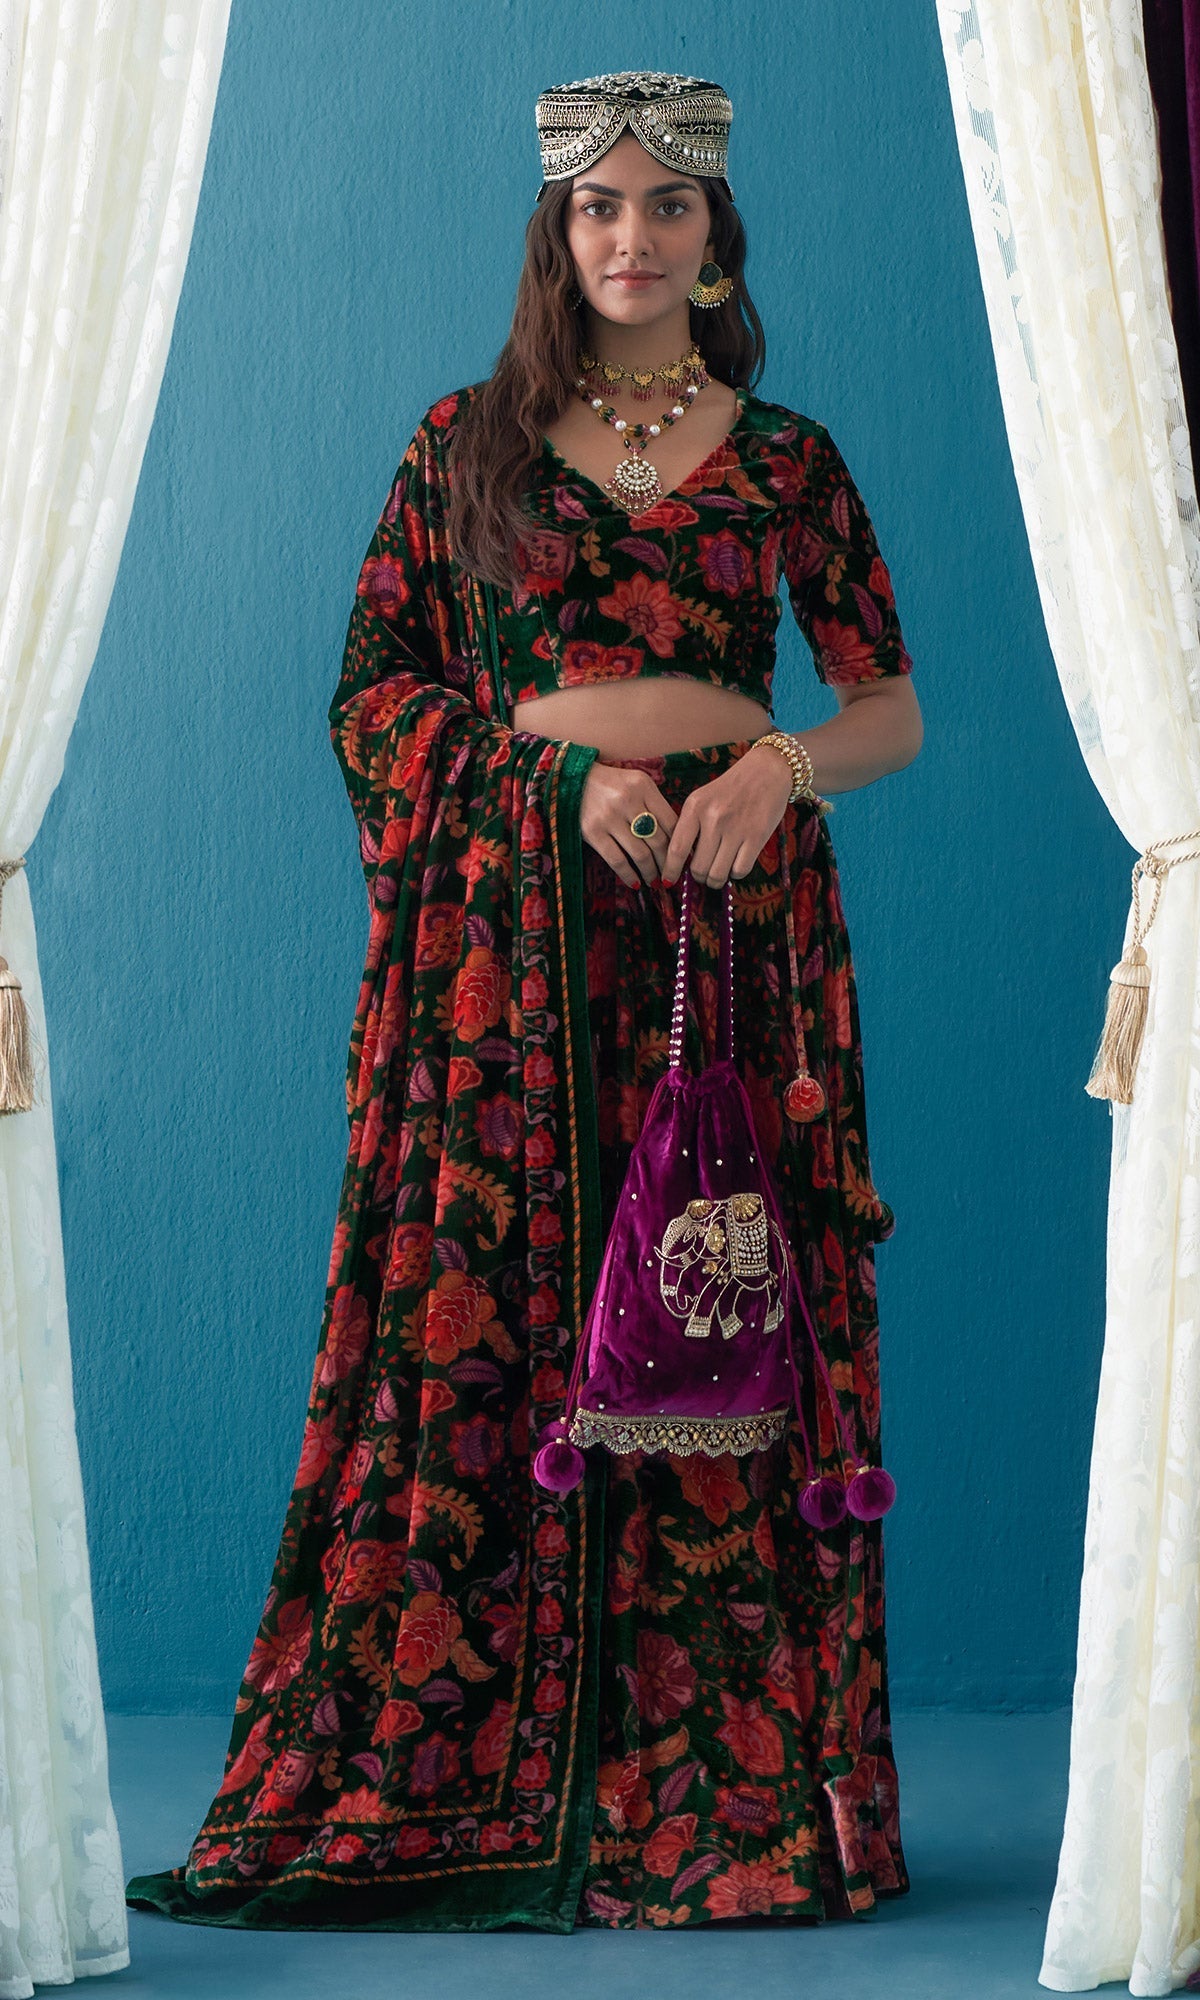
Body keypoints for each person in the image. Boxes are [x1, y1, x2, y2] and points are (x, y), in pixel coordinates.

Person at [126, 68, 922, 1936]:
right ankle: (475, 1784)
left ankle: (721, 1800)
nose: (632, 237)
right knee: (509, 1317)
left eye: (667, 205)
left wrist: (779, 773)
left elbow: (887, 706)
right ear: (555, 234)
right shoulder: (462, 446)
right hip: (509, 957)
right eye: (597, 206)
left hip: (728, 939)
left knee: (719, 1319)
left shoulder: (788, 460)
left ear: (717, 235)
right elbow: (370, 700)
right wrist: (551, 785)